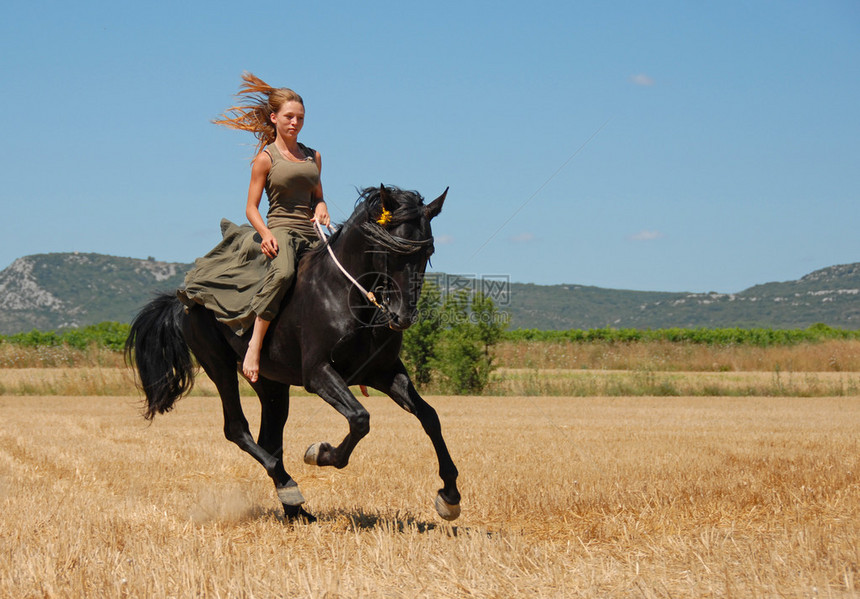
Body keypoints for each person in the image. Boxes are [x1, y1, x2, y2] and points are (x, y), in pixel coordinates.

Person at [178, 72, 330, 383]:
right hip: (282, 229)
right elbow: (251, 208)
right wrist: (266, 234)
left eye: (300, 118)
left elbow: (318, 196)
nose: (295, 123)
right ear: (274, 118)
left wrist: (322, 208)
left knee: (343, 274)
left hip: (310, 232)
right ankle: (254, 346)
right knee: (284, 273)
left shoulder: (313, 156)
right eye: (289, 117)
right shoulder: (265, 159)